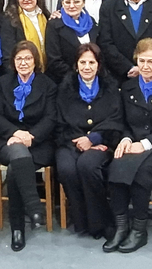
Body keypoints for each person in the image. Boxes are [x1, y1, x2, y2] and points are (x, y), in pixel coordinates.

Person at [102, 38, 152, 254]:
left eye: (151, 61)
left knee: (142, 174)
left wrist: (145, 144)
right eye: (142, 61)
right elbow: (123, 122)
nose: (146, 66)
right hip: (134, 143)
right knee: (116, 166)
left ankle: (139, 229)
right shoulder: (127, 87)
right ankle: (121, 227)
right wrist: (127, 139)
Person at [0, 41, 57, 251]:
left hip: (39, 144)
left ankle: (17, 228)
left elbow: (51, 118)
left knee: (16, 168)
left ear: (35, 61)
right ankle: (34, 208)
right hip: (7, 140)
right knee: (18, 154)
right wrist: (15, 133)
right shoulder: (2, 83)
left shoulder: (48, 85)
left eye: (28, 58)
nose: (24, 62)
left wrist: (32, 136)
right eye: (19, 58)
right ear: (13, 62)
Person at [55, 43, 122, 240]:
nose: (87, 67)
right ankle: (81, 220)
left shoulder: (110, 86)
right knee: (67, 169)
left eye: (91, 62)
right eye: (82, 62)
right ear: (76, 65)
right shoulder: (65, 86)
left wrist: (93, 138)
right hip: (69, 141)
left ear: (98, 65)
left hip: (102, 141)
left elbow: (116, 119)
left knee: (87, 165)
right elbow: (60, 120)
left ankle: (100, 222)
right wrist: (80, 141)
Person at [45, 0, 100, 85]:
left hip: (92, 80)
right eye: (67, 2)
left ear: (83, 2)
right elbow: (54, 60)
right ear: (62, 3)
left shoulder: (92, 23)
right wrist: (78, 76)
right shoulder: (54, 25)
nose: (71, 6)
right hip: (65, 82)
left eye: (76, 1)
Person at [5, 0, 52, 65]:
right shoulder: (9, 20)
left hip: (47, 73)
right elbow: (8, 55)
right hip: (22, 73)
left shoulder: (46, 16)